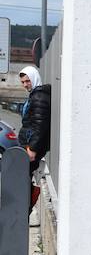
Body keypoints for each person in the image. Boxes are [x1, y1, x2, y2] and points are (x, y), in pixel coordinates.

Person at [18, 66, 50, 205]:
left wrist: (33, 148)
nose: (25, 85)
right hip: (29, 145)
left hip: (31, 148)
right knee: (24, 179)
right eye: (23, 82)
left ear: (34, 78)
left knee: (23, 180)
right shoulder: (36, 95)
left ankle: (25, 207)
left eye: (27, 81)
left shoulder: (39, 96)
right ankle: (24, 207)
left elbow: (40, 125)